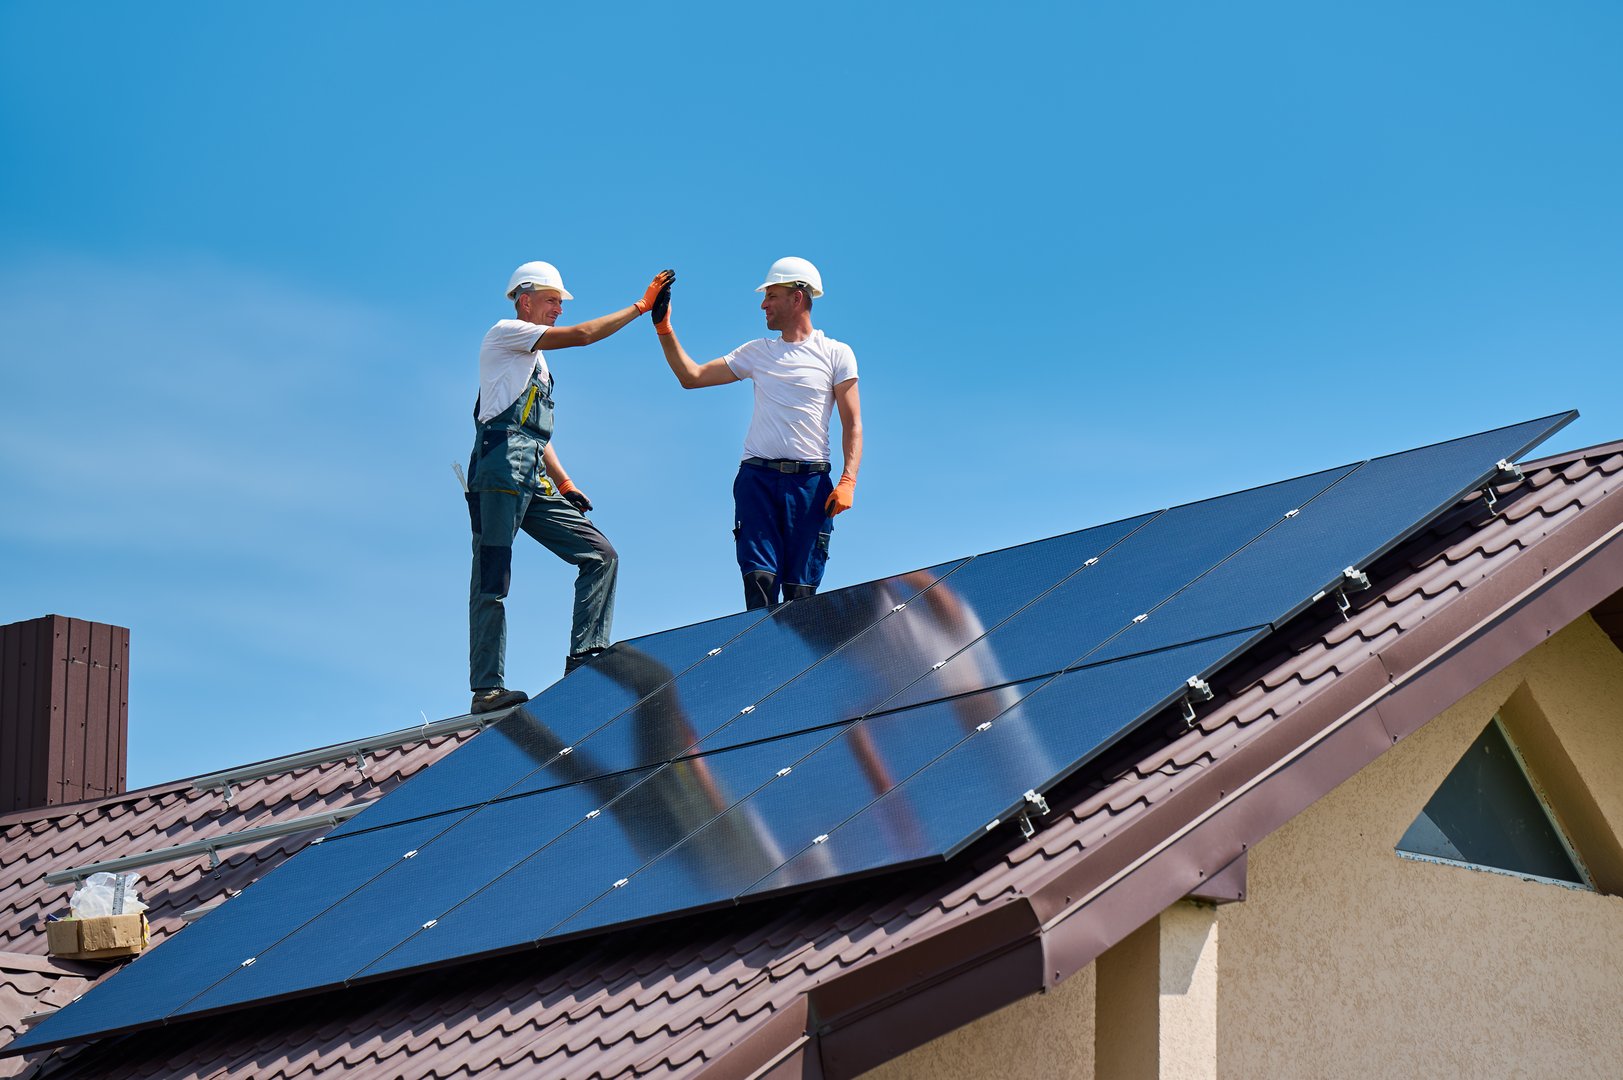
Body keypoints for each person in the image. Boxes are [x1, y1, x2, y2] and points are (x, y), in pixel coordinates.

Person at [467, 261, 674, 714]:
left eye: (561, 302)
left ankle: (585, 658)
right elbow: (583, 336)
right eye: (553, 300)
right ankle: (487, 689)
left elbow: (535, 433)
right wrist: (641, 308)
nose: (559, 308)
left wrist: (564, 481)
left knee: (600, 555)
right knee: (492, 579)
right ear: (525, 299)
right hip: (499, 471)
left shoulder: (535, 360)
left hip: (529, 470)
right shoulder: (507, 332)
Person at [651, 257, 863, 610]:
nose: (763, 304)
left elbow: (852, 422)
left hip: (809, 489)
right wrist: (663, 327)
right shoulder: (757, 352)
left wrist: (848, 480)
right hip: (757, 482)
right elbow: (692, 377)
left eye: (771, 295)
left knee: (801, 599)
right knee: (759, 588)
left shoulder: (836, 354)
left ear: (797, 298)